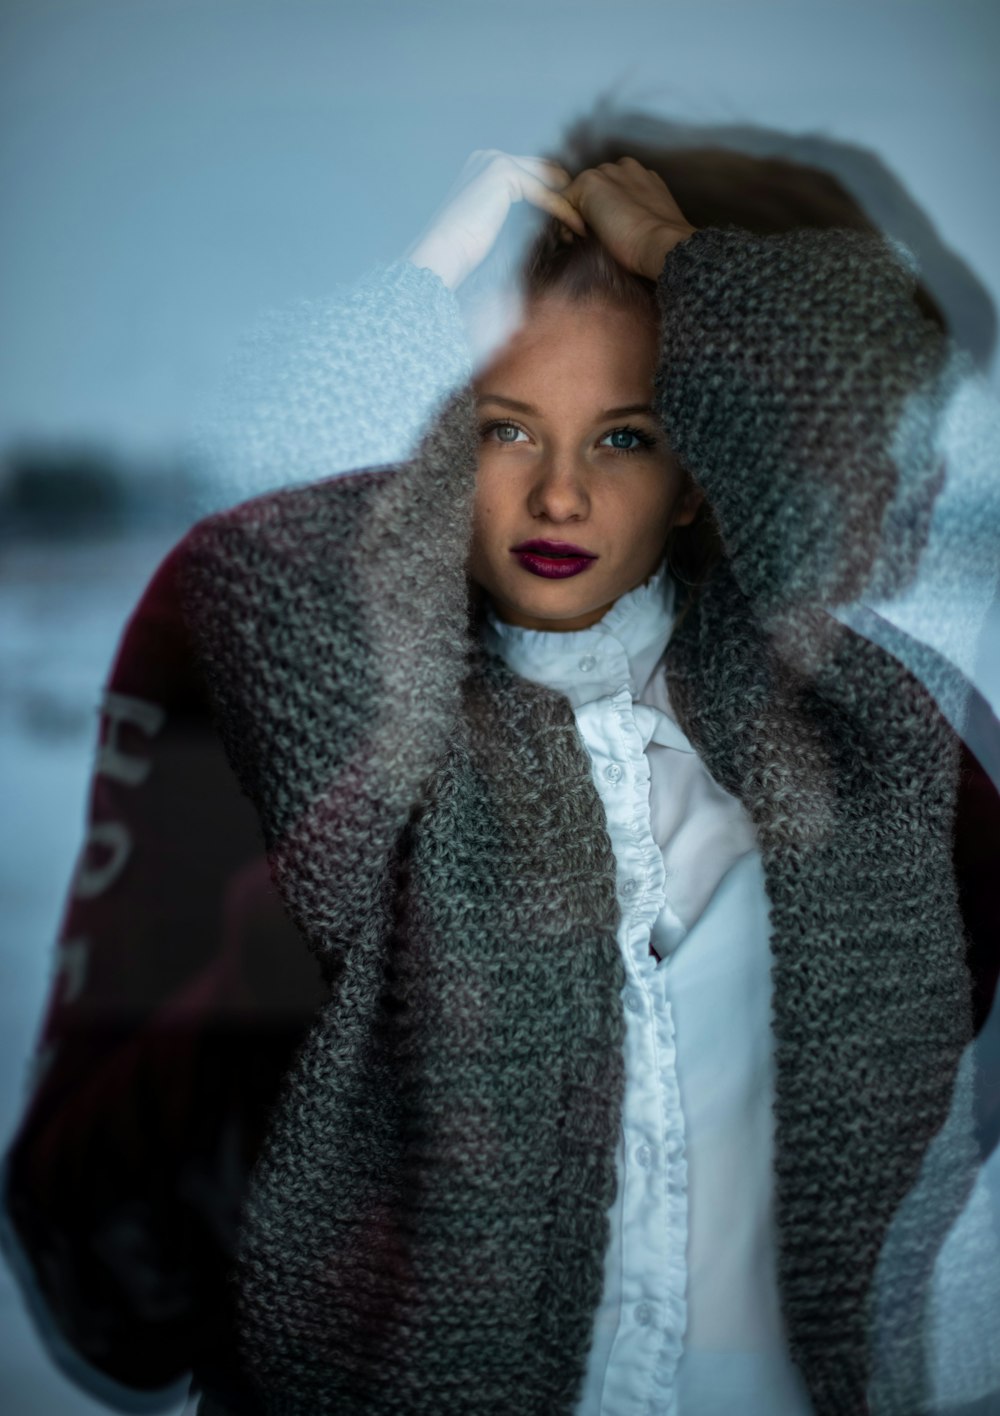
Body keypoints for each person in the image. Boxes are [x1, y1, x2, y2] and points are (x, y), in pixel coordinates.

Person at [3, 119, 1000, 1416]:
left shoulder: (890, 738)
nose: (911, 497)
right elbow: (104, 1284)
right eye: (857, 428)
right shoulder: (254, 618)